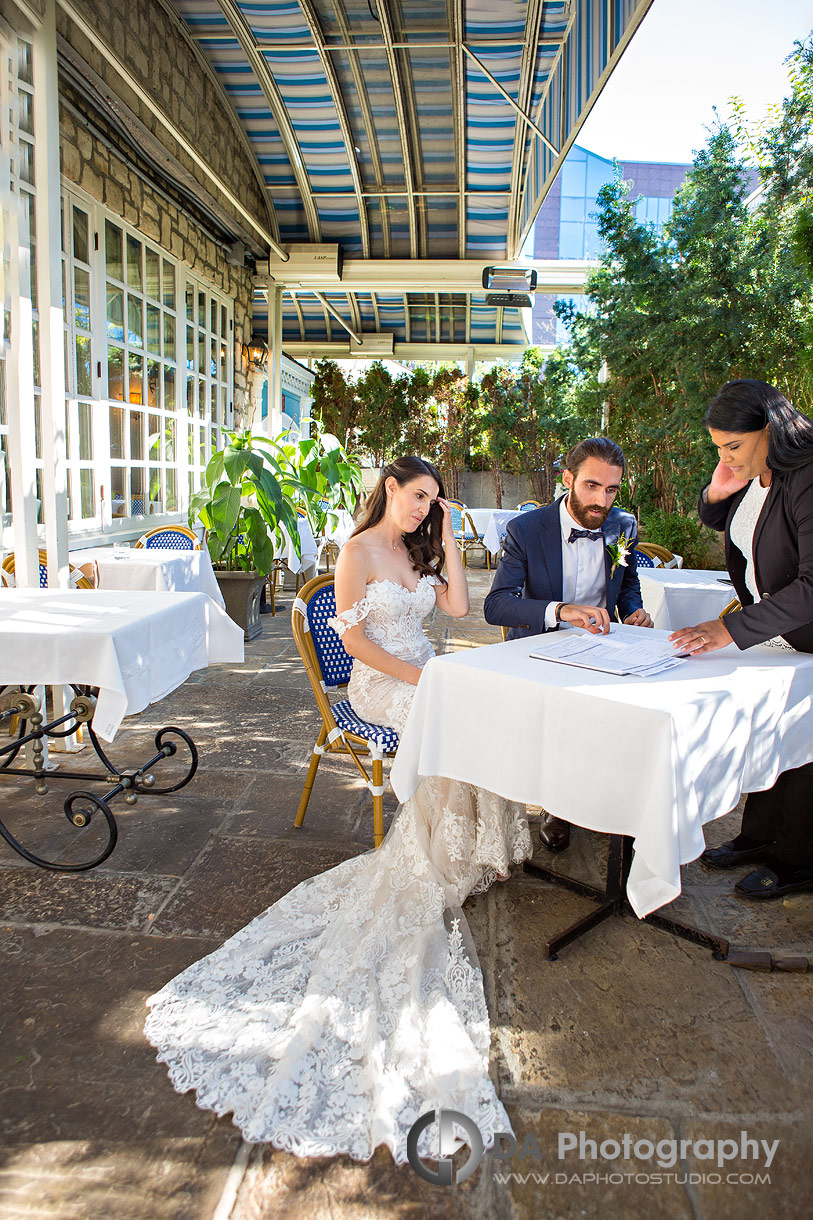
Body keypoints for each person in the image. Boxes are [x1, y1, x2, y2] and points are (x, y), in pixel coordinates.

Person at [145, 456, 531, 1164]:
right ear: (389, 488)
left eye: (432, 501)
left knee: (479, 722)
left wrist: (445, 538)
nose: (422, 509)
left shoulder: (421, 545)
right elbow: (353, 642)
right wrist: (428, 677)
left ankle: (465, 849)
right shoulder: (355, 551)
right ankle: (440, 861)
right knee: (451, 721)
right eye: (417, 497)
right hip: (378, 683)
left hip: (425, 673)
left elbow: (453, 611)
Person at [669, 379, 813, 899]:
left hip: (807, 636)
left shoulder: (807, 477)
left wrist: (727, 628)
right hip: (781, 633)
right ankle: (757, 838)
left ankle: (796, 860)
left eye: (734, 446)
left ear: (771, 429)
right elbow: (725, 518)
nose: (728, 458)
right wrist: (718, 487)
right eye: (719, 448)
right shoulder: (760, 471)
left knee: (804, 749)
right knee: (772, 735)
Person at [483, 436, 653, 852]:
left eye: (611, 489)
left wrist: (633, 611)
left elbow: (627, 584)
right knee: (560, 723)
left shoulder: (622, 526)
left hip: (603, 644)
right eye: (592, 486)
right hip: (541, 647)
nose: (601, 500)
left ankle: (614, 802)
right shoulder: (525, 529)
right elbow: (497, 605)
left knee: (625, 720)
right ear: (567, 479)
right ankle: (558, 806)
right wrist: (561, 610)